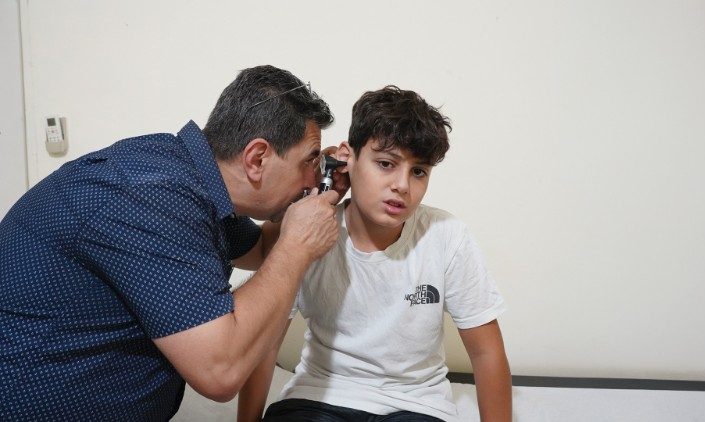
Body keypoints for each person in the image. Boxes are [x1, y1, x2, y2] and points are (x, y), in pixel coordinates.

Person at [0, 65, 347, 421]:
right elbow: (220, 372)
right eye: (310, 161)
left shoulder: (189, 177)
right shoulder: (150, 196)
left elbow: (259, 250)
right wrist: (296, 246)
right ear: (257, 159)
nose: (311, 179)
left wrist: (328, 193)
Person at [237, 86, 512, 422]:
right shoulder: (308, 229)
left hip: (416, 404)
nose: (402, 185)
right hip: (320, 396)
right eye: (385, 163)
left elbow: (487, 353)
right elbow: (265, 346)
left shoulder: (446, 236)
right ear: (347, 158)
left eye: (419, 171)